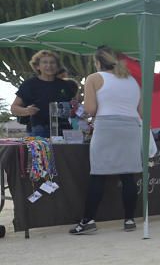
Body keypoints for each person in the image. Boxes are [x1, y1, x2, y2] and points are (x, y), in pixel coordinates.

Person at [69, 47, 142, 235]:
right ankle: (129, 219)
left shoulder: (94, 78)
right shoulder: (132, 80)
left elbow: (91, 109)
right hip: (132, 127)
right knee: (128, 175)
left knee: (98, 174)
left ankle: (88, 220)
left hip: (107, 126)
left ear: (98, 62)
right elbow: (141, 111)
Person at [11, 50, 78, 137]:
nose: (49, 65)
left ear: (57, 66)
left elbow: (74, 106)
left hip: (64, 130)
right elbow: (14, 108)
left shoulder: (66, 85)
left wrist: (75, 108)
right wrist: (26, 111)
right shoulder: (29, 84)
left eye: (52, 62)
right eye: (45, 62)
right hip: (38, 130)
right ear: (37, 66)